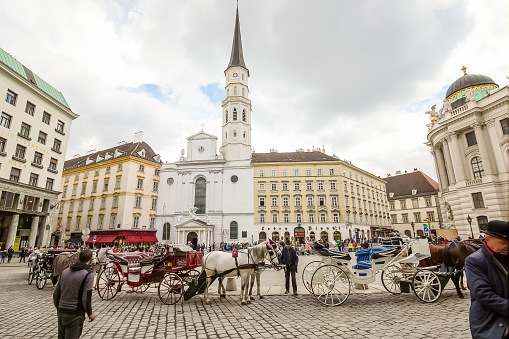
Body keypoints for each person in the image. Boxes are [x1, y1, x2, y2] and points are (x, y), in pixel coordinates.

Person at [465, 220, 508, 339]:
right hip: (490, 320)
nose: (507, 246)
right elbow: (483, 294)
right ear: (487, 239)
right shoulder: (474, 260)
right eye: (503, 242)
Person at [53, 249, 96, 339]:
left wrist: (59, 307)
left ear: (78, 258)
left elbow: (56, 293)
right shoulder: (88, 274)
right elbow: (86, 296)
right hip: (75, 313)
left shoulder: (65, 271)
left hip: (62, 311)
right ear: (91, 259)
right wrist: (89, 313)